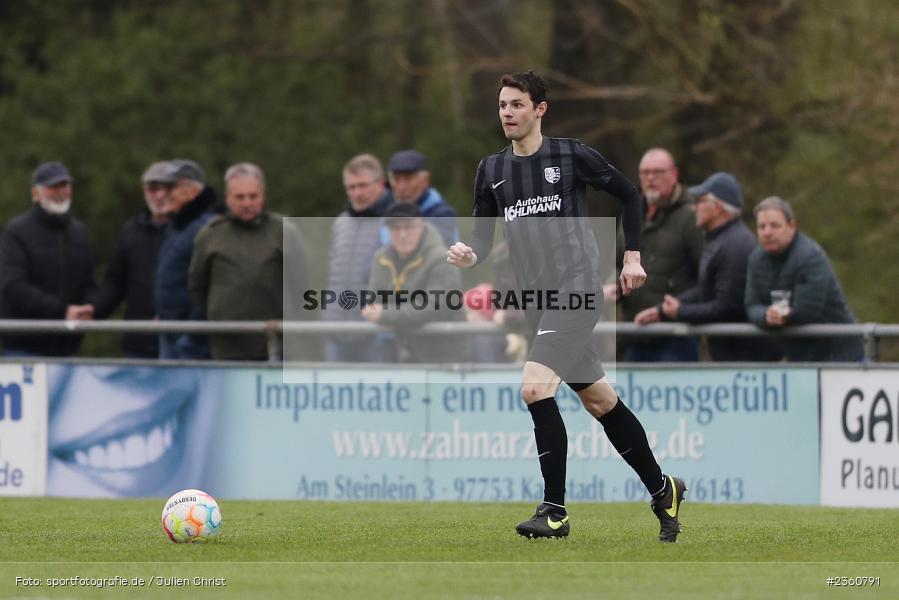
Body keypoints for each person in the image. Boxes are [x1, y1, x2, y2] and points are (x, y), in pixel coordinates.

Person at [447, 71, 686, 541]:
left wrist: (632, 256)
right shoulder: (491, 171)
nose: (507, 114)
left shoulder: (571, 155)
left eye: (517, 104)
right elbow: (480, 236)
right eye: (501, 106)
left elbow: (629, 195)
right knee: (599, 400)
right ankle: (663, 490)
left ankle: (554, 511)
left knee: (535, 389)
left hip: (575, 292)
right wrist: (468, 255)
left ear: (540, 109)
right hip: (537, 302)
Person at [634, 172, 781, 361]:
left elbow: (727, 306)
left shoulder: (734, 245)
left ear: (717, 207)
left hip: (746, 362)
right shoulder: (720, 240)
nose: (694, 208)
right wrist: (663, 310)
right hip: (734, 355)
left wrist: (680, 312)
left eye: (700, 201)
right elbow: (706, 290)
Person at [189, 162, 308, 361]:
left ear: (263, 196)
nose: (247, 203)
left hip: (274, 343)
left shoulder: (284, 231)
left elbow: (300, 287)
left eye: (253, 196)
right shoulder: (210, 234)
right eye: (240, 197)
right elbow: (197, 286)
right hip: (226, 345)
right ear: (227, 198)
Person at [606, 148, 704, 362]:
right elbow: (617, 264)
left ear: (674, 174)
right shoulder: (630, 213)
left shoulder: (692, 216)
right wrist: (615, 286)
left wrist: (672, 309)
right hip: (635, 334)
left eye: (658, 172)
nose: (651, 178)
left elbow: (706, 277)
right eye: (645, 173)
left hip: (676, 336)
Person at [745, 196, 864, 361]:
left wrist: (781, 316)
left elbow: (807, 312)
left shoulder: (809, 257)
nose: (767, 232)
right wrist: (766, 315)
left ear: (792, 226)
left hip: (839, 353)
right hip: (800, 357)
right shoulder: (755, 259)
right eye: (761, 227)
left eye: (774, 225)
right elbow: (751, 305)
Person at [0, 161, 96, 356]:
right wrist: (62, 311)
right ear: (35, 193)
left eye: (65, 185)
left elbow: (89, 283)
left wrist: (90, 307)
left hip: (67, 349)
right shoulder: (17, 231)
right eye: (53, 186)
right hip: (25, 347)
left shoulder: (79, 232)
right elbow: (13, 285)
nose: (60, 192)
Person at [362, 203, 463, 363]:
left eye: (408, 226)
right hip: (400, 352)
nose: (402, 234)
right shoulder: (381, 258)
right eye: (395, 228)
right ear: (388, 231)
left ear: (422, 225)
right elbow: (374, 302)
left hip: (444, 356)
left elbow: (435, 307)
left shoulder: (442, 259)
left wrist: (386, 313)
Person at [92, 161, 170, 358]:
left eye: (165, 189)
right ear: (144, 192)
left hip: (180, 345)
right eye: (153, 189)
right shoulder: (132, 231)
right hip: (139, 345)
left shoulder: (193, 231)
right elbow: (115, 283)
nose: (159, 195)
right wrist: (93, 311)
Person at [323, 154, 394, 362]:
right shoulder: (340, 223)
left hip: (376, 331)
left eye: (362, 185)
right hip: (335, 330)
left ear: (381, 184)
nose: (357, 193)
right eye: (351, 187)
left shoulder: (396, 221)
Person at [154, 159, 219, 359]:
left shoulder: (205, 228)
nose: (165, 194)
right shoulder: (178, 225)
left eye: (171, 187)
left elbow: (209, 287)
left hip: (191, 342)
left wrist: (191, 336)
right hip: (172, 334)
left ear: (192, 190)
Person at [387, 149, 458, 247]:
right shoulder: (388, 212)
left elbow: (442, 255)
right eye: (396, 179)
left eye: (408, 179)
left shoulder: (442, 215)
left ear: (425, 180)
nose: (401, 187)